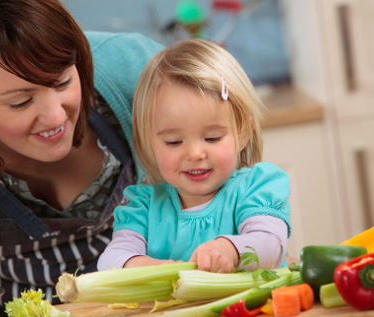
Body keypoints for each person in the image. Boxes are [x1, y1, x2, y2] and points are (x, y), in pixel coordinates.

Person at [0, 0, 162, 317]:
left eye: (63, 82)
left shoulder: (139, 69)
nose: (56, 116)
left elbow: (235, 197)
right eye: (21, 102)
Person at [97, 39, 291, 273]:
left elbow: (270, 244)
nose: (196, 154)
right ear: (148, 143)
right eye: (174, 142)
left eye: (212, 138)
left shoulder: (257, 188)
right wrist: (142, 266)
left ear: (243, 133)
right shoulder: (143, 207)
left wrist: (229, 249)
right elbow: (110, 260)